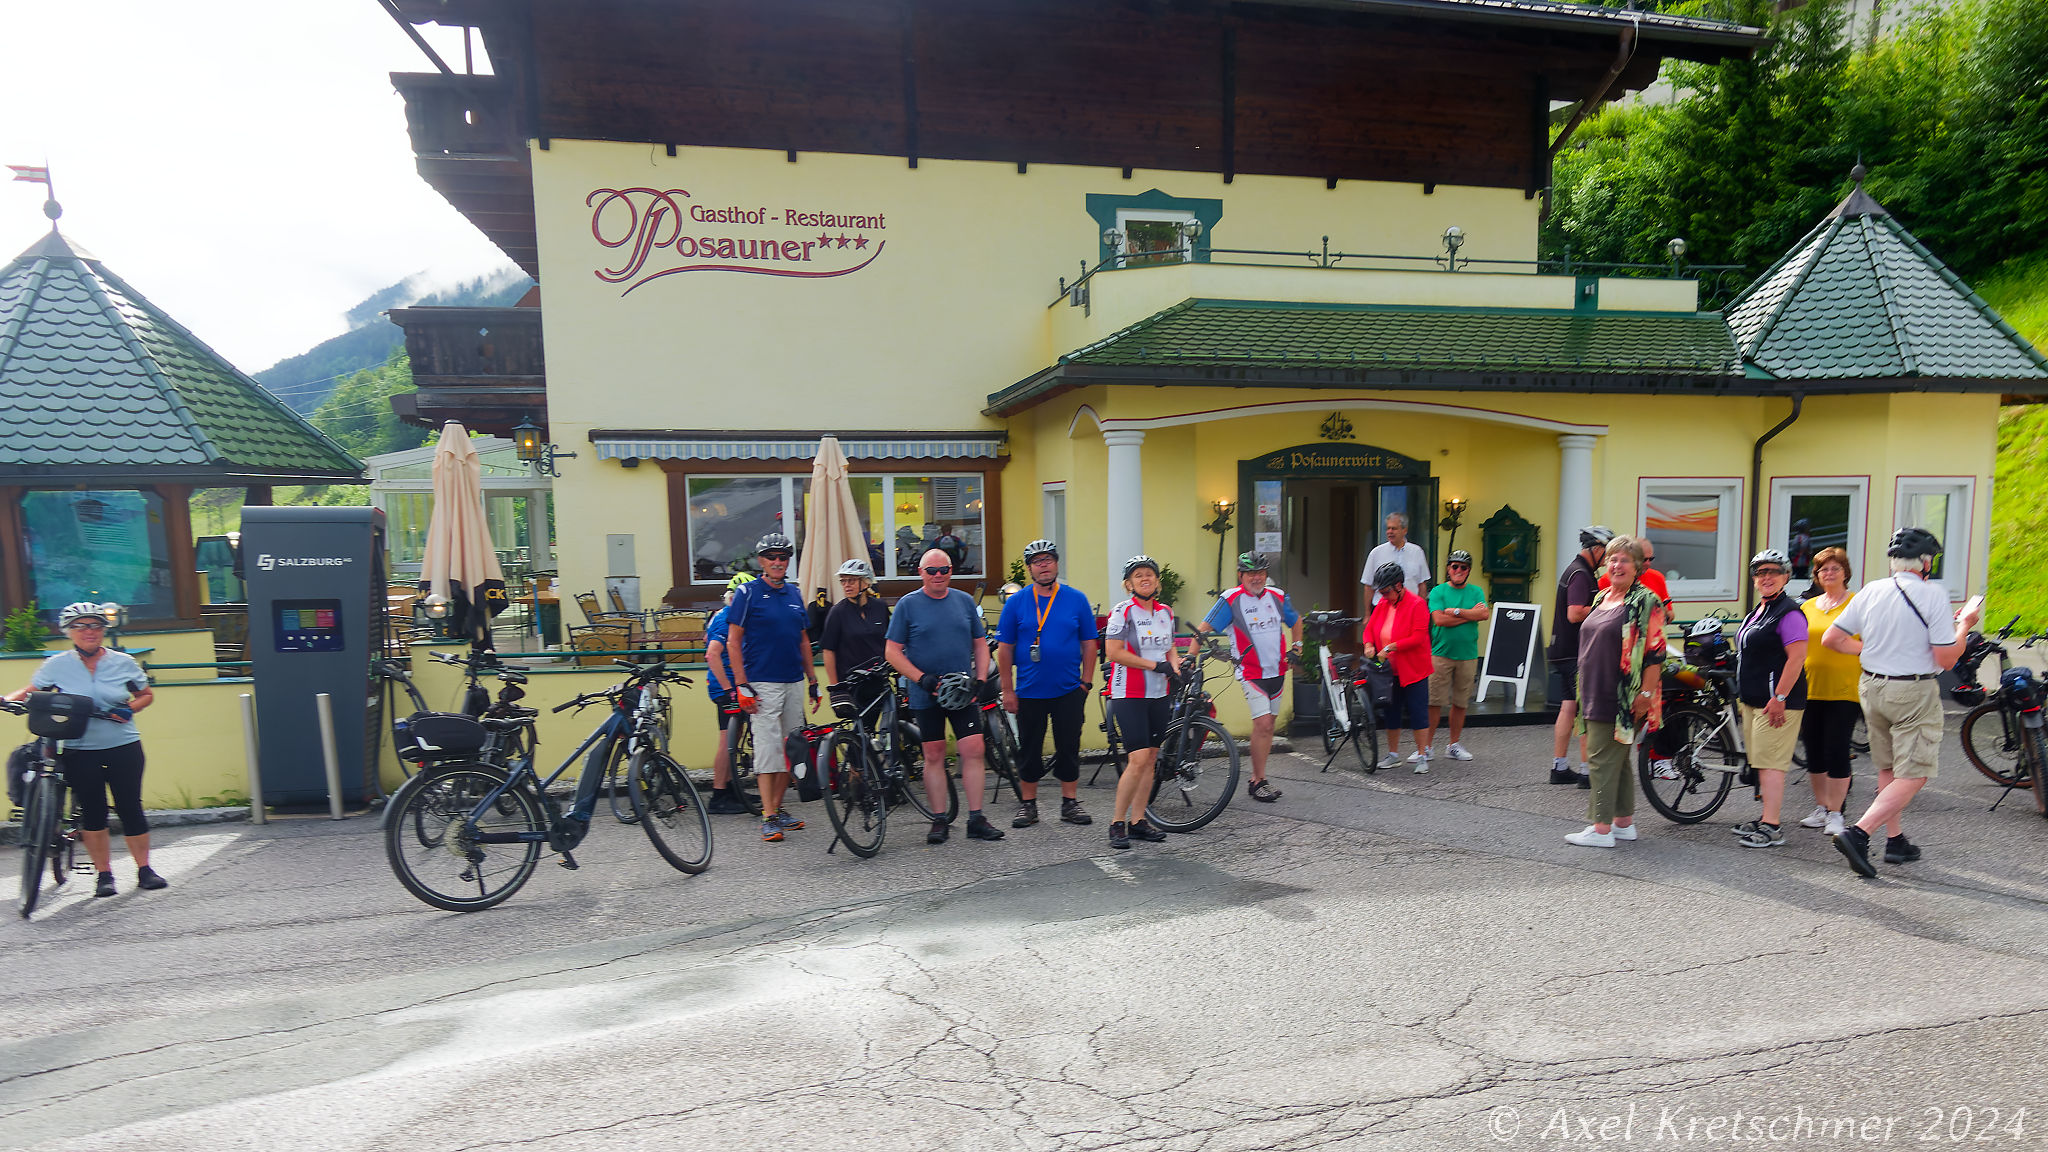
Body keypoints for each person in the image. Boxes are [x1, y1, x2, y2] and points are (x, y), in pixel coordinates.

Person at [1822, 527, 1981, 875]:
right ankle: (1859, 833)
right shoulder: (1933, 594)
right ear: (1925, 562)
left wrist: (1873, 649)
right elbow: (1946, 659)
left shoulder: (1871, 590)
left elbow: (1832, 639)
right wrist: (1964, 626)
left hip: (1872, 686)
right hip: (1912, 691)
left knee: (1889, 768)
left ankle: (1895, 840)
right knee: (1916, 773)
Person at [4, 602, 162, 897]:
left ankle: (145, 870)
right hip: (79, 748)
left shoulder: (123, 662)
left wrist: (129, 709)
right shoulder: (57, 664)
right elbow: (31, 692)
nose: (89, 631)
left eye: (95, 625)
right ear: (68, 631)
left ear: (103, 630)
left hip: (123, 745)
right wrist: (5, 699)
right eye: (80, 626)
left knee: (130, 807)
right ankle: (104, 875)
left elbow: (145, 694)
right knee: (93, 811)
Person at [887, 547, 1003, 844]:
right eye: (931, 571)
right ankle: (939, 819)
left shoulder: (964, 601)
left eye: (944, 570)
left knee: (974, 748)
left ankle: (976, 818)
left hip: (962, 691)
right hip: (927, 693)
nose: (938, 575)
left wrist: (980, 678)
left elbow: (980, 643)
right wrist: (920, 678)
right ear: (921, 573)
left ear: (951, 571)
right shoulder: (907, 605)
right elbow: (892, 651)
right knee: (934, 754)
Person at [1564, 535, 1666, 847]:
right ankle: (1623, 823)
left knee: (1599, 758)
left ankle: (1600, 829)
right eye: (1612, 559)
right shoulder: (1601, 597)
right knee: (1618, 759)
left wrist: (1645, 695)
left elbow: (1655, 654)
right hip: (1592, 688)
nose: (1617, 565)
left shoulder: (1647, 601)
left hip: (1621, 694)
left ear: (1637, 567)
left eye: (1624, 560)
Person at [996, 539, 1099, 827]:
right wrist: (1007, 690)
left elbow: (1089, 643)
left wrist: (1086, 683)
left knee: (1069, 746)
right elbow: (1004, 649)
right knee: (1029, 748)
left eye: (1048, 560)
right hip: (1029, 691)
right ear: (1029, 568)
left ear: (1056, 564)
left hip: (1069, 688)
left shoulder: (1076, 599)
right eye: (1037, 561)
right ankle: (1028, 805)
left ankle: (1070, 803)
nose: (1043, 566)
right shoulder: (1016, 602)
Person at [725, 533, 821, 843]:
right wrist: (742, 685)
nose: (778, 562)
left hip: (793, 679)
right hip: (762, 682)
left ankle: (777, 810)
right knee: (768, 751)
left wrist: (813, 681)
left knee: (791, 749)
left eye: (783, 557)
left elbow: (803, 640)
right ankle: (767, 817)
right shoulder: (748, 593)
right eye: (771, 557)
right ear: (761, 561)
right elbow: (733, 642)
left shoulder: (794, 593)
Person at [1197, 551, 1301, 802]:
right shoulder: (1231, 599)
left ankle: (1257, 778)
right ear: (1240, 575)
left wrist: (1297, 648)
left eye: (1261, 572)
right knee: (1263, 723)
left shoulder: (1277, 596)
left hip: (1277, 671)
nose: (1257, 578)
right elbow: (1202, 630)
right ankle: (1259, 781)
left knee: (1268, 726)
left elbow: (1296, 620)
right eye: (1251, 573)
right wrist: (1189, 656)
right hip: (1250, 672)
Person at [1727, 549, 1809, 848]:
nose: (1766, 577)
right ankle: (1765, 817)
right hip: (1754, 700)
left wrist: (1780, 696)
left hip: (1777, 703)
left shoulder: (1789, 612)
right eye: (1761, 573)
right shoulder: (1759, 610)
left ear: (1786, 576)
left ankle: (1772, 826)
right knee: (1762, 761)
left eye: (1774, 572)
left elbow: (1797, 658)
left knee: (1772, 763)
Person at [1103, 555, 1182, 849]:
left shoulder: (1165, 612)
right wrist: (1154, 665)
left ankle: (1138, 821)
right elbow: (1113, 652)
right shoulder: (1122, 612)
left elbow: (1170, 648)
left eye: (1149, 574)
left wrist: (1176, 667)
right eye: (1138, 575)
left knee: (1150, 758)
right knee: (1137, 759)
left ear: (1157, 581)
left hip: (1159, 693)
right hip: (1129, 693)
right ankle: (1117, 823)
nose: (1145, 578)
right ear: (1129, 584)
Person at [1796, 547, 1860, 837]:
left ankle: (1837, 812)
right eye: (1823, 569)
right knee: (1813, 749)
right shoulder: (1808, 607)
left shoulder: (1857, 604)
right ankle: (1822, 807)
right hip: (1810, 687)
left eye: (1835, 568)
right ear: (1817, 575)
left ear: (1845, 572)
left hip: (1845, 687)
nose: (1829, 573)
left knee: (1837, 748)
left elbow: (1872, 641)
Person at [1548, 525, 1612, 786]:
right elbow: (1574, 613)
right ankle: (1588, 772)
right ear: (1596, 549)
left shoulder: (1577, 570)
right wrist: (1604, 605)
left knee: (1568, 706)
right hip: (1575, 654)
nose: (1608, 559)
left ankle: (1560, 767)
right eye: (1607, 552)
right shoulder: (1580, 573)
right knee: (1587, 711)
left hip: (1563, 652)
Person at [1361, 562, 1433, 772]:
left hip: (1413, 669)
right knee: (1391, 712)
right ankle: (1393, 754)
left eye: (1386, 591)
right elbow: (1369, 629)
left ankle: (1422, 756)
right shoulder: (1384, 604)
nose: (1383, 596)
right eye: (1381, 592)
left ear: (1399, 586)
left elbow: (1418, 637)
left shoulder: (1417, 604)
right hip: (1389, 671)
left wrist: (1391, 647)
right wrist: (1368, 644)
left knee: (1418, 712)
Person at [698, 573, 756, 815]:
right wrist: (729, 690)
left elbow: (705, 637)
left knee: (733, 738)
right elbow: (711, 654)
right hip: (726, 688)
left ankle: (731, 789)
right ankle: (719, 795)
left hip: (731, 685)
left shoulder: (723, 614)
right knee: (726, 740)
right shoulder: (726, 618)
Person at [1424, 550, 1487, 761]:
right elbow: (1439, 620)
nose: (1458, 570)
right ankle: (1426, 746)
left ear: (1468, 571)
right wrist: (1470, 615)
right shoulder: (1438, 591)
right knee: (1434, 702)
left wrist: (1457, 612)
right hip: (1440, 654)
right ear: (1448, 568)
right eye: (1454, 566)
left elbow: (1484, 614)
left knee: (1461, 703)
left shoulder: (1476, 591)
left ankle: (1453, 745)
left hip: (1468, 655)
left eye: (1463, 567)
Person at [820, 558, 892, 728]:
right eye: (843, 581)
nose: (846, 585)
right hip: (852, 684)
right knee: (862, 731)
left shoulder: (880, 607)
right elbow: (828, 650)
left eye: (851, 580)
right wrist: (835, 687)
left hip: (879, 679)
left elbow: (890, 641)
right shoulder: (837, 612)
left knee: (891, 725)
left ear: (865, 582)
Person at [1360, 513, 1431, 606]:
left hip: (1409, 607)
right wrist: (1367, 613)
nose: (1390, 531)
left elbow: (1422, 584)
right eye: (1388, 528)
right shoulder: (1376, 553)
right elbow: (1368, 585)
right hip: (1382, 607)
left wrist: (1422, 608)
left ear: (1404, 530)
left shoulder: (1417, 552)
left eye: (1394, 528)